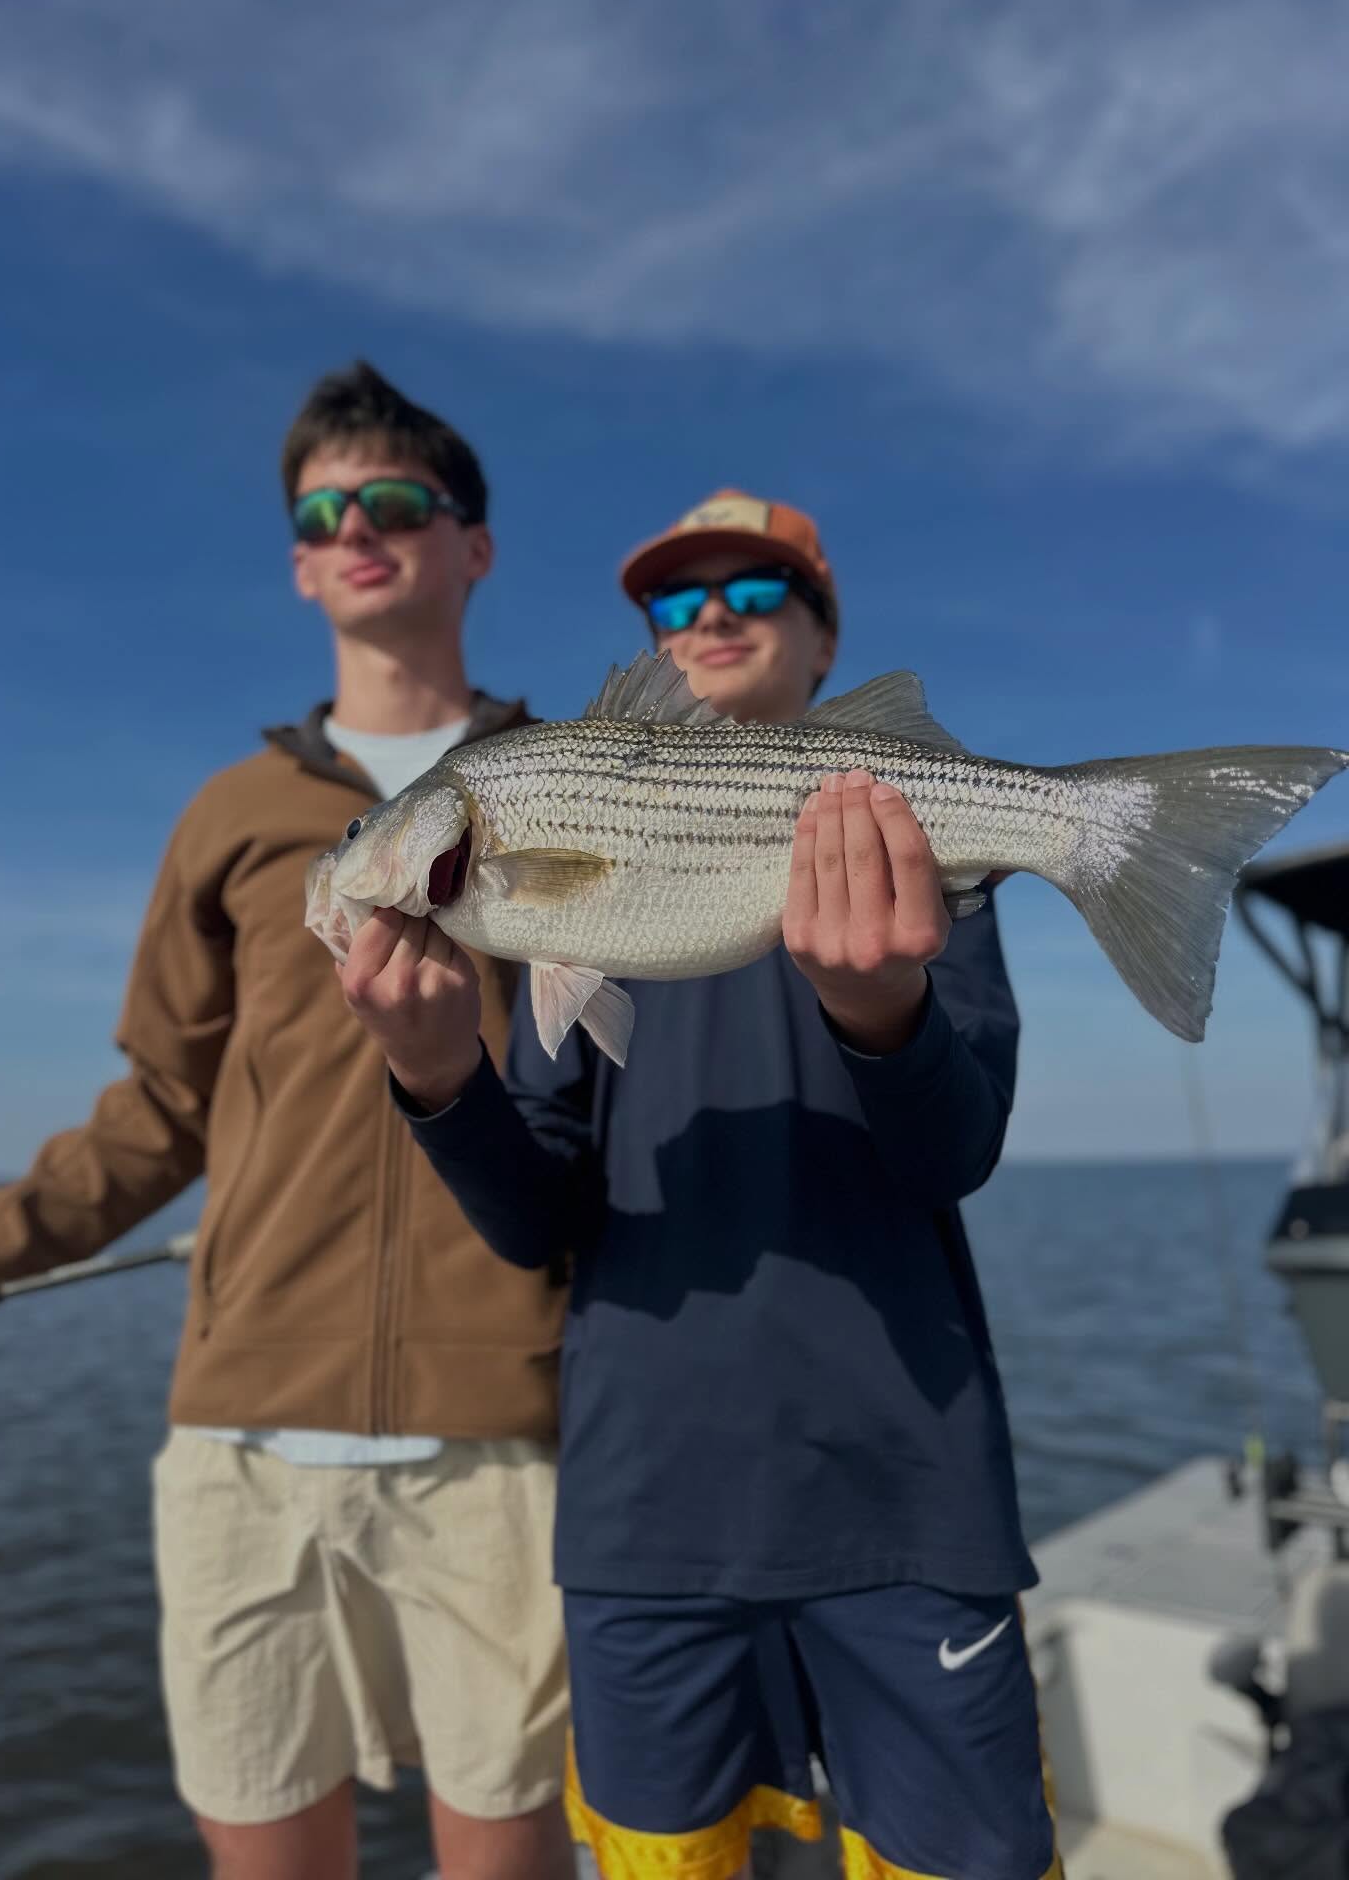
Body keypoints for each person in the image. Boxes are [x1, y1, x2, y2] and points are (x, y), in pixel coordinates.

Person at [0, 364, 577, 1880]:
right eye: (323, 515)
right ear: (298, 566)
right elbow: (160, 1108)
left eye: (394, 502)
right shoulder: (231, 813)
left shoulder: (576, 783)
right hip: (244, 1430)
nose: (358, 532)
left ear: (474, 544)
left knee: (509, 1850)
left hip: (507, 1427)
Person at [339, 490, 1062, 1880]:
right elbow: (537, 1219)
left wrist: (883, 1009)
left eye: (756, 588)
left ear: (825, 636)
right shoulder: (540, 900)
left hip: (910, 1496)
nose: (714, 614)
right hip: (644, 1516)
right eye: (677, 600)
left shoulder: (907, 840)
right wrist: (439, 1075)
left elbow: (954, 1154)